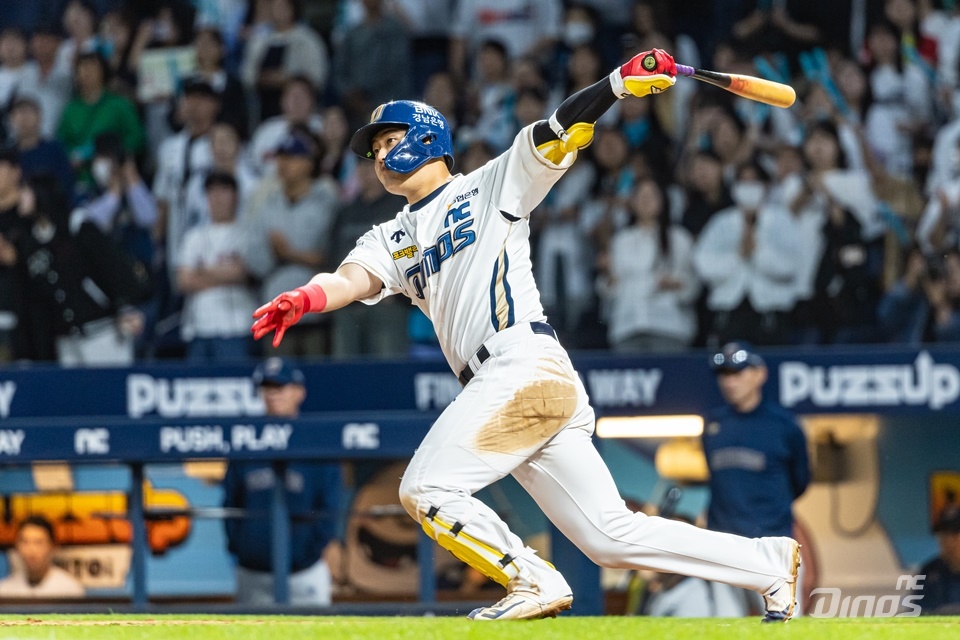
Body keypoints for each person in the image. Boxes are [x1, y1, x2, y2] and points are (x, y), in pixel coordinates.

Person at [250, 48, 801, 622]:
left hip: (521, 362)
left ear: (425, 139)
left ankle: (530, 579)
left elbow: (560, 129)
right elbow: (349, 279)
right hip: (515, 380)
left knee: (425, 490)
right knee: (610, 535)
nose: (380, 156)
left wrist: (616, 84)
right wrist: (304, 298)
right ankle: (764, 562)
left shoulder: (489, 185)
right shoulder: (393, 235)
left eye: (389, 141)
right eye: (376, 150)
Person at [702, 341, 810, 615]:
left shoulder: (783, 425)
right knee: (727, 628)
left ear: (759, 374)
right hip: (723, 544)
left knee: (786, 627)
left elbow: (801, 481)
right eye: (724, 374)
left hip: (774, 545)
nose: (729, 382)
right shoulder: (714, 425)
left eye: (737, 373)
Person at [222, 358, 342, 605]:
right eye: (267, 387)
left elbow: (329, 508)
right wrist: (242, 550)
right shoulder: (246, 443)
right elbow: (231, 504)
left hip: (304, 572)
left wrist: (311, 552)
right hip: (253, 571)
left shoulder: (317, 443)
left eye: (281, 387)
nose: (273, 394)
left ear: (299, 392)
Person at [0, 516, 85, 598]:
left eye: (38, 542)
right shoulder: (5, 591)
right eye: (25, 542)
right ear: (16, 546)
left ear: (53, 547)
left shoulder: (70, 590)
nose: (31, 550)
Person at [916, 503, 960, 614]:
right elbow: (918, 613)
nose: (948, 541)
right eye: (944, 533)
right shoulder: (929, 572)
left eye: (955, 534)